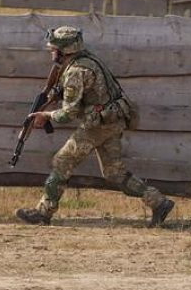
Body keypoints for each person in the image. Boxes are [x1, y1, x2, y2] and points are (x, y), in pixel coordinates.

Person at [16, 26, 175, 227]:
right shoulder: (87, 60)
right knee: (113, 172)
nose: (51, 52)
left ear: (64, 50)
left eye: (53, 49)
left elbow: (68, 114)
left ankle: (43, 212)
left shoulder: (75, 71)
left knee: (62, 162)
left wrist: (46, 115)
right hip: (112, 120)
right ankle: (159, 203)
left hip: (96, 126)